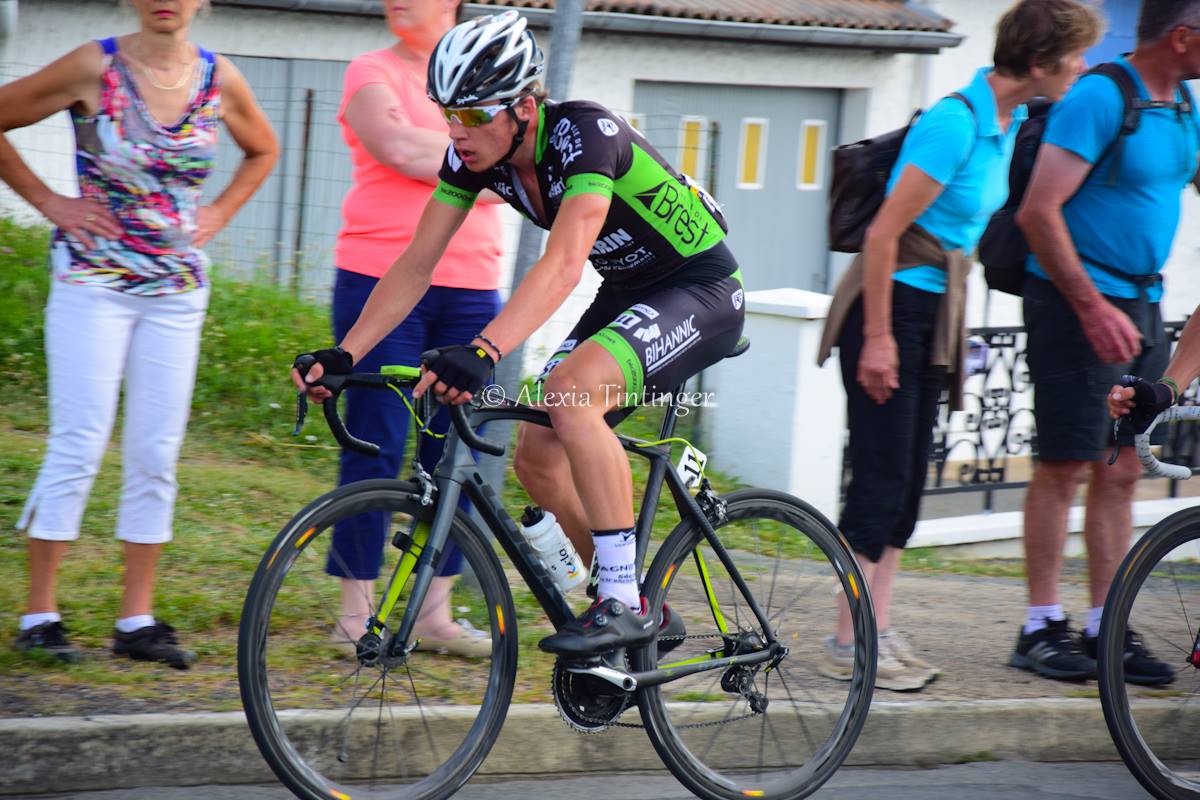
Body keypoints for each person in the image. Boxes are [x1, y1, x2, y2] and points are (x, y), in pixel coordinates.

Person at [294, 10, 743, 657]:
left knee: (573, 392)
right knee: (537, 452)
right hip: (627, 293)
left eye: (474, 114)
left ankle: (620, 599)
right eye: (447, 112)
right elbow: (418, 262)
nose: (457, 131)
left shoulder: (586, 135)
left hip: (701, 289)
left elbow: (562, 263)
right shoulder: (474, 156)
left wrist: (483, 349)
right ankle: (636, 598)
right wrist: (346, 352)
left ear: (526, 106)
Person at [816, 0, 1102, 691]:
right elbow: (884, 234)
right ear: (1039, 63)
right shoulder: (955, 123)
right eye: (1075, 56)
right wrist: (879, 340)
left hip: (935, 307)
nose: (1084, 67)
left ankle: (875, 630)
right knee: (882, 480)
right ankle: (848, 640)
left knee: (908, 484)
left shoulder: (1003, 123)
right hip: (892, 307)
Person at [2, 0, 277, 667]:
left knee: (157, 452)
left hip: (176, 294)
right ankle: (39, 616)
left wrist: (219, 211)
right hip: (93, 282)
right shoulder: (95, 67)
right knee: (80, 441)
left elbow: (262, 150)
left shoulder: (220, 79)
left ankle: (137, 622)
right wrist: (51, 204)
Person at [1011, 0, 1200, 685]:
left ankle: (1104, 625)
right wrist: (1089, 306)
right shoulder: (1100, 96)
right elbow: (1038, 210)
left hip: (1144, 305)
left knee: (1121, 469)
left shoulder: (1182, 105)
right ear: (1181, 38)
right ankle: (1039, 627)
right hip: (1075, 305)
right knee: (1065, 463)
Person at [326, 0, 505, 659]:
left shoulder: (490, 78)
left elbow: (509, 172)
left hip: (472, 288)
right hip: (380, 282)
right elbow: (394, 146)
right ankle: (357, 610)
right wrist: (475, 159)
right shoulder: (369, 70)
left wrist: (475, 164)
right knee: (376, 439)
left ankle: (435, 613)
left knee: (454, 448)